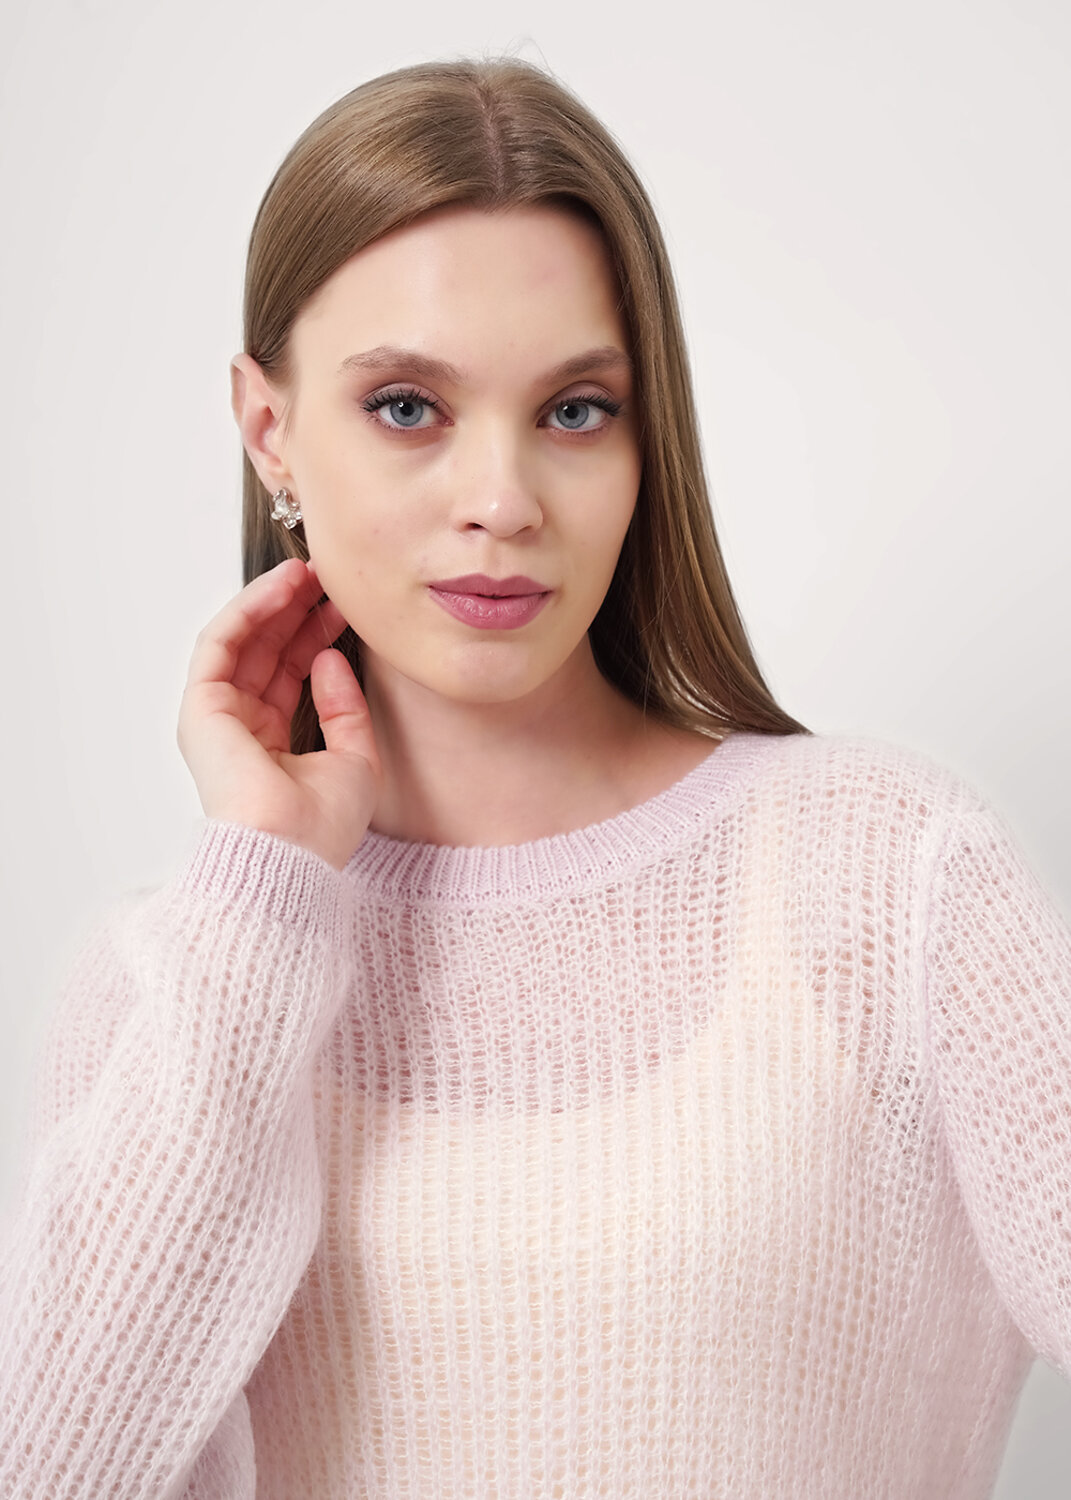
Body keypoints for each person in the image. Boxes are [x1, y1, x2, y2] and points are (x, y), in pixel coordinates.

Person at [1, 53, 1069, 1500]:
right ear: (269, 432)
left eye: (575, 410)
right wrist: (261, 900)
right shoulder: (170, 987)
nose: (502, 501)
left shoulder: (891, 877)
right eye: (407, 407)